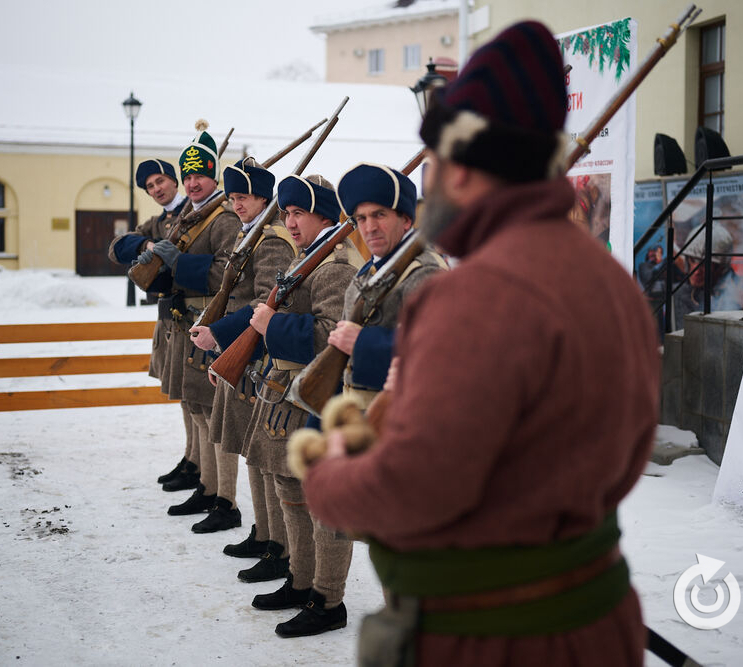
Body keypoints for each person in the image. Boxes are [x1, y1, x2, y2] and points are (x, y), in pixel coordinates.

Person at [300, 20, 660, 666]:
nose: (427, 182)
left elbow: (414, 486)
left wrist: (329, 475)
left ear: (466, 165)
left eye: (434, 163)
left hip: (493, 642)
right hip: (598, 623)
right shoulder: (612, 283)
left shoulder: (472, 296)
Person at [242, 174, 364, 638]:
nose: (289, 222)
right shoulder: (305, 259)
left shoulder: (333, 266)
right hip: (287, 395)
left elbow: (330, 338)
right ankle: (300, 581)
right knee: (290, 495)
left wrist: (272, 325)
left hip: (316, 400)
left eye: (299, 213)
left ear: (325, 215)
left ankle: (327, 599)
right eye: (287, 213)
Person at [134, 130, 243, 527]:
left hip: (210, 324)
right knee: (196, 408)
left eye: (201, 175)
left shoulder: (224, 217)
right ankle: (207, 486)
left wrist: (177, 263)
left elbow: (228, 272)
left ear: (214, 176)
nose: (193, 183)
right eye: (189, 176)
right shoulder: (189, 215)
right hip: (186, 323)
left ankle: (224, 500)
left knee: (213, 415)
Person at [188, 157, 298, 541]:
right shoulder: (248, 234)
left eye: (245, 197)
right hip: (242, 349)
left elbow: (264, 306)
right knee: (253, 453)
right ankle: (265, 533)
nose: (236, 204)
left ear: (264, 198)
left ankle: (276, 542)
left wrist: (218, 333)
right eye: (233, 196)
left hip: (256, 353)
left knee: (264, 457)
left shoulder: (271, 241)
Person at [107, 159, 195, 490]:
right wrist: (145, 245)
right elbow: (117, 247)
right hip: (171, 317)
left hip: (193, 315)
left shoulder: (198, 211)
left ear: (175, 181)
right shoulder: (157, 223)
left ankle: (201, 468)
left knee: (195, 398)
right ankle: (192, 459)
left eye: (161, 181)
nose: (157, 189)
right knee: (184, 396)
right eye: (150, 187)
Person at [328, 162, 447, 406]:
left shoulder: (426, 272)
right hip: (355, 418)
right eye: (361, 218)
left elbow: (438, 351)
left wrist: (362, 343)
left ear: (405, 219)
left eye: (379, 215)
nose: (369, 228)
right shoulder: (367, 272)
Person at [673, 222, 743, 321]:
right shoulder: (678, 293)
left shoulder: (740, 293)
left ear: (721, 268)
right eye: (692, 260)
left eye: (705, 264)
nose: (696, 271)